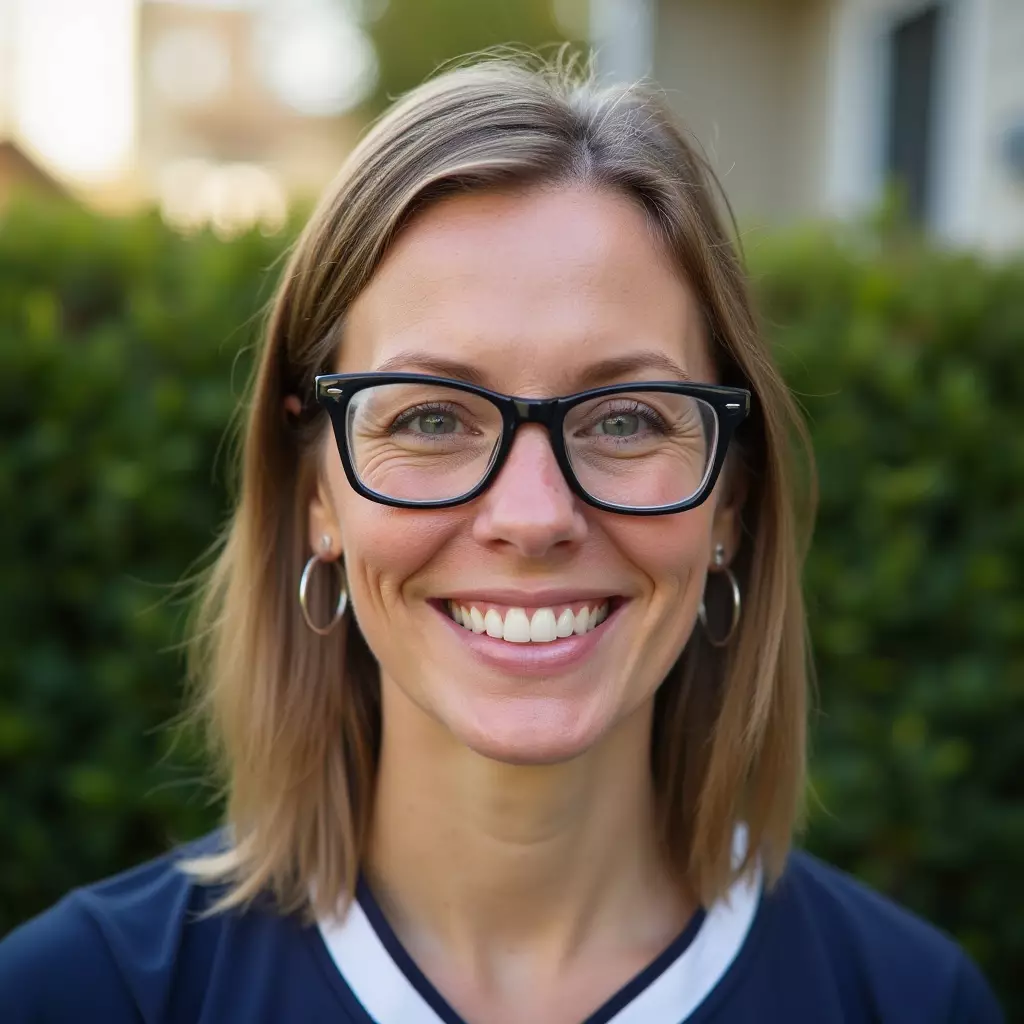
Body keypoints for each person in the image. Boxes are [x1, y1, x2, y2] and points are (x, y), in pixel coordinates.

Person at [0, 57, 1004, 1024]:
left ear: (729, 506)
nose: (532, 517)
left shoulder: (906, 1002)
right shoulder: (85, 997)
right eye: (431, 418)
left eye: (623, 419)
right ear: (318, 494)